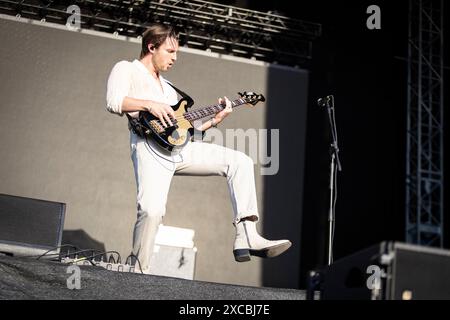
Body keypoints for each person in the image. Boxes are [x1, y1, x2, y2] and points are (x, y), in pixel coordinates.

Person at [106, 23, 291, 273]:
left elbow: (184, 132)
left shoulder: (169, 87)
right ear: (151, 47)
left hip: (179, 150)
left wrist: (214, 121)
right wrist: (149, 104)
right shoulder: (126, 69)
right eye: (170, 51)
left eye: (177, 53)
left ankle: (246, 234)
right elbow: (114, 101)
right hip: (148, 148)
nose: (175, 58)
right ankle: (138, 272)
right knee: (152, 211)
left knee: (241, 161)